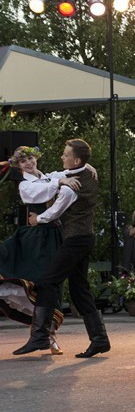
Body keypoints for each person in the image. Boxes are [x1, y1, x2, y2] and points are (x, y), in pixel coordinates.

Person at [14, 138, 111, 358]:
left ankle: (40, 336)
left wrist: (38, 218)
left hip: (72, 238)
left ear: (75, 160)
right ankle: (100, 339)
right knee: (79, 289)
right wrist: (86, 167)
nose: (62, 156)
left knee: (48, 281)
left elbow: (55, 211)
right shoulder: (73, 175)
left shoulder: (67, 186)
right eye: (23, 161)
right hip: (75, 237)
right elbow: (58, 177)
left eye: (66, 154)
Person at [0, 146, 88, 355]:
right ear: (19, 166)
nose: (28, 163)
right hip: (35, 238)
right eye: (23, 161)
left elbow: (67, 173)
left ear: (36, 158)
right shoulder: (25, 185)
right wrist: (60, 182)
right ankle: (44, 335)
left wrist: (86, 167)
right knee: (39, 283)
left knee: (49, 285)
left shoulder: (48, 176)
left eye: (30, 158)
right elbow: (41, 192)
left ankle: (46, 335)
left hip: (53, 236)